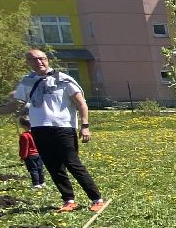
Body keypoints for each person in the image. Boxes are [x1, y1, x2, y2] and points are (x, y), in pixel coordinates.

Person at [10, 48, 106, 213]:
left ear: (47, 60)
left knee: (72, 163)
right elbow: (15, 106)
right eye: (34, 59)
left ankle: (97, 199)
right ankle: (69, 200)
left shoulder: (63, 79)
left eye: (42, 58)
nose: (39, 62)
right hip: (39, 129)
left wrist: (85, 125)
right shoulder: (27, 82)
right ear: (28, 63)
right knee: (53, 166)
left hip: (63, 128)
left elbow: (81, 103)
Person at [18, 115, 45, 189]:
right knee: (40, 168)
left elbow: (25, 147)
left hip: (30, 155)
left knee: (33, 170)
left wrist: (23, 156)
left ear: (23, 125)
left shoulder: (24, 136)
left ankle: (36, 184)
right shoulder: (38, 133)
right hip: (39, 154)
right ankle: (42, 182)